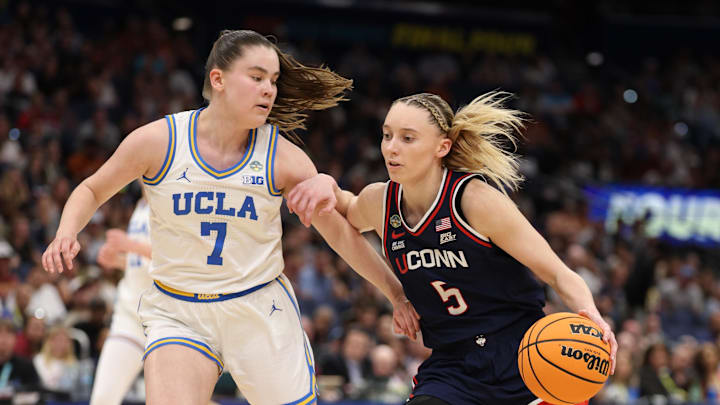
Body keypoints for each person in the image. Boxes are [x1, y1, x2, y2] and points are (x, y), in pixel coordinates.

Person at [41, 29, 419, 405]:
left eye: (273, 80)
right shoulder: (159, 141)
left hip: (257, 307)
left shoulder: (282, 158)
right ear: (218, 79)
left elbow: (340, 235)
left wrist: (395, 293)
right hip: (179, 309)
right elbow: (92, 188)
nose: (269, 89)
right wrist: (66, 232)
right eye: (256, 78)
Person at [288, 92, 618, 405]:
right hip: (453, 365)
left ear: (442, 146)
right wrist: (325, 182)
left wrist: (594, 318)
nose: (391, 148)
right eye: (387, 135)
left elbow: (559, 274)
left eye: (407, 138)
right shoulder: (380, 201)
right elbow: (339, 208)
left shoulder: (476, 201)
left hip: (525, 359)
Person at [90, 196, 151, 405]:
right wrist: (118, 261)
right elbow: (142, 265)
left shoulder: (175, 192)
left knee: (186, 400)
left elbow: (183, 260)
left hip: (169, 319)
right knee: (102, 399)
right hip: (130, 317)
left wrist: (131, 245)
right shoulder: (141, 203)